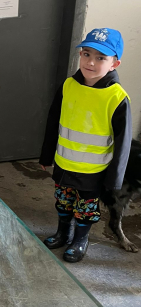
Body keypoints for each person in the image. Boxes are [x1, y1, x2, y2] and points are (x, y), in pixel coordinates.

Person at [39, 28, 132, 262]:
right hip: (64, 163)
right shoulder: (68, 86)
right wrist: (46, 156)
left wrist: (114, 179)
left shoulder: (117, 97)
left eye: (101, 58)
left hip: (93, 170)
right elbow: (53, 121)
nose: (91, 62)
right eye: (86, 54)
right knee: (63, 201)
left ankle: (80, 239)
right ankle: (63, 232)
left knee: (86, 208)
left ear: (114, 64)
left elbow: (123, 142)